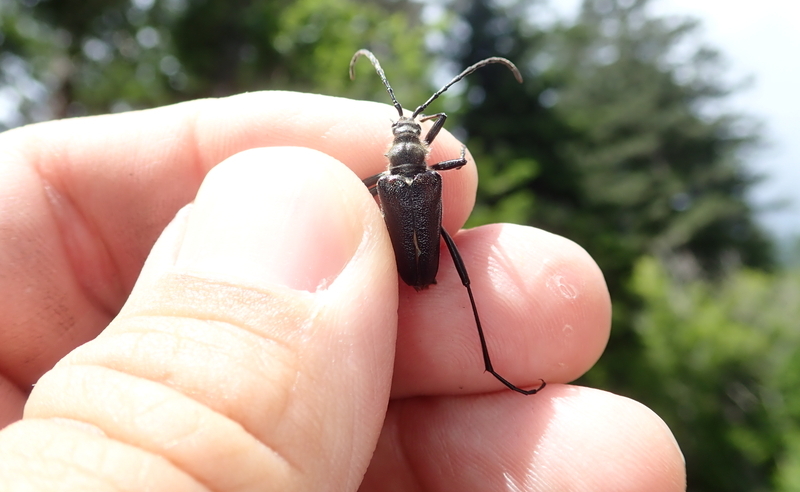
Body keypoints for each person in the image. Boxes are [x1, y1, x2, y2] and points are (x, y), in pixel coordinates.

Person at [0, 91, 686, 490]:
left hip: (409, 257)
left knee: (453, 279)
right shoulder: (424, 175)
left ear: (404, 152)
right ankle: (490, 363)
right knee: (469, 285)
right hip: (417, 257)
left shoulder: (384, 184)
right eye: (410, 134)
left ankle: (488, 364)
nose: (410, 138)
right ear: (412, 150)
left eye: (411, 133)